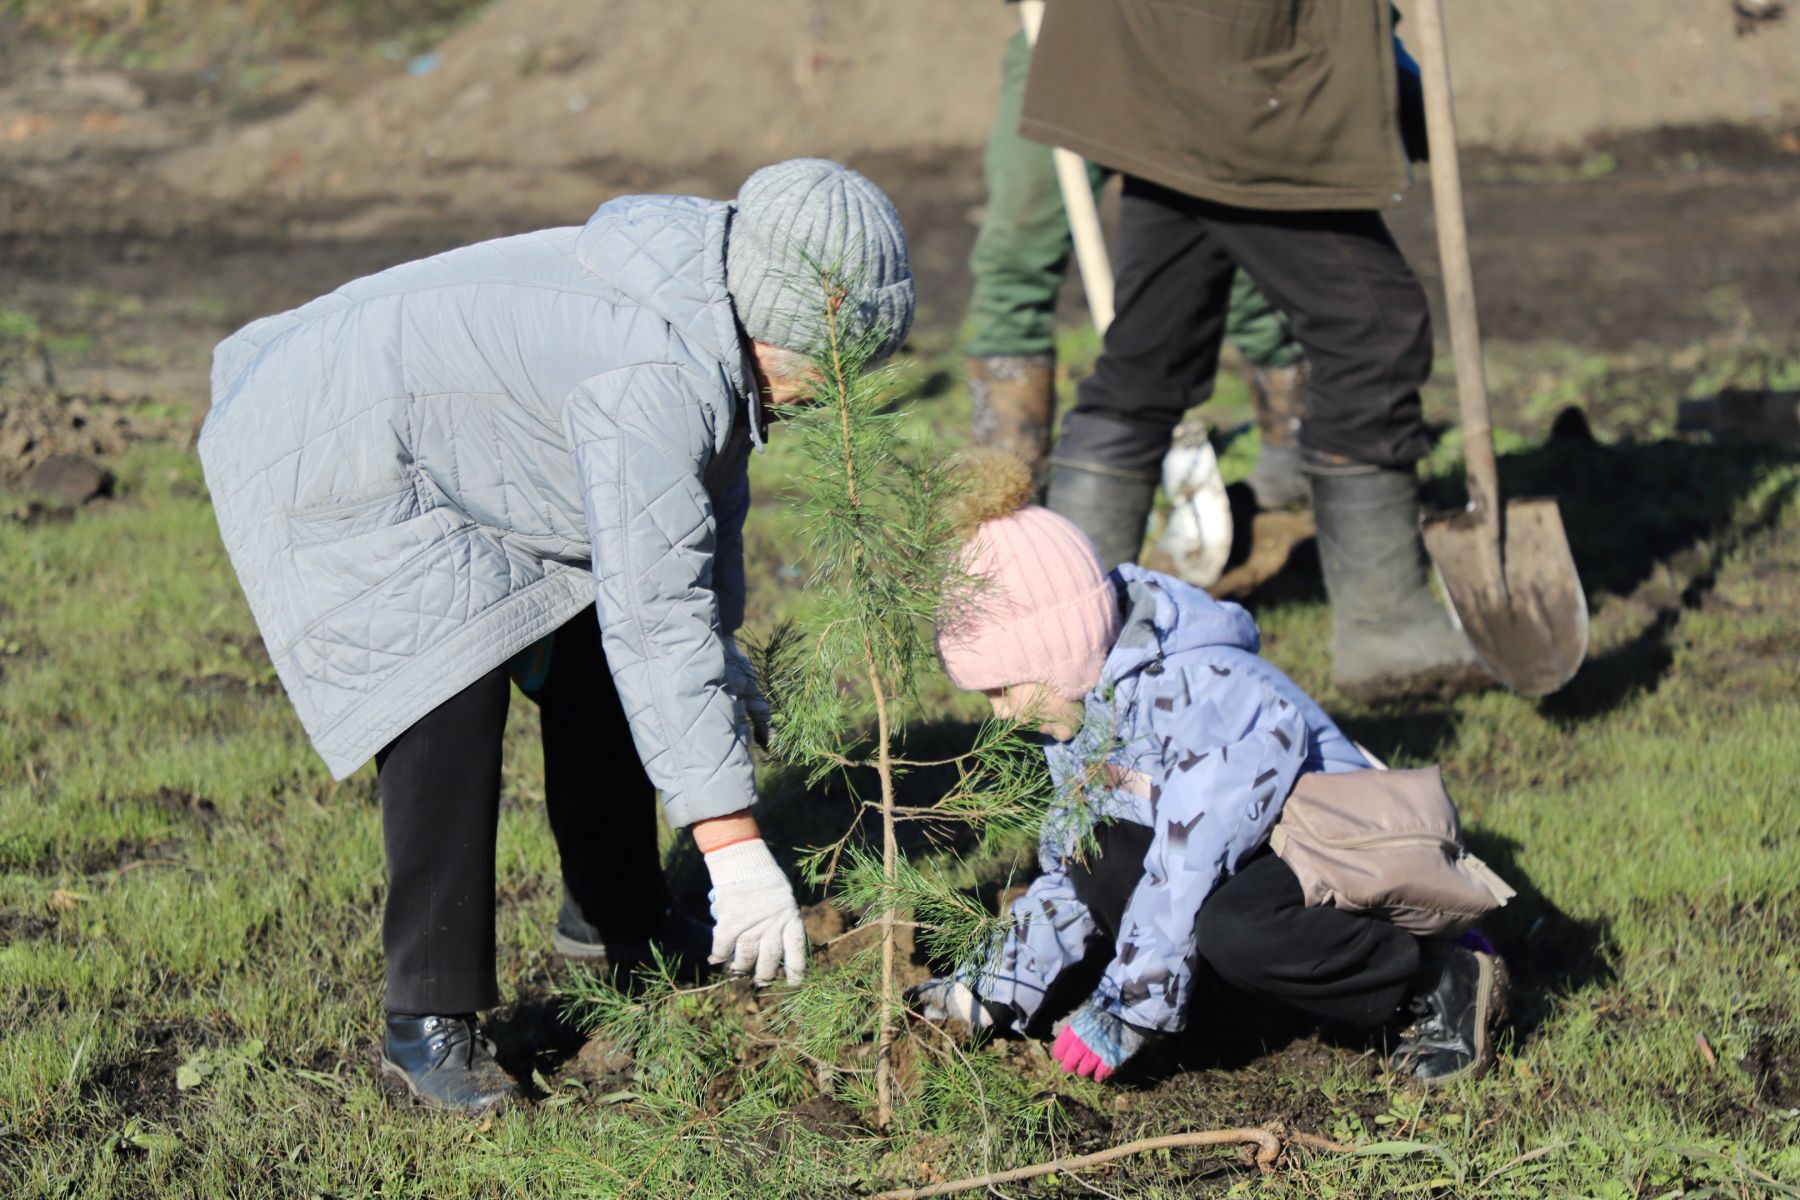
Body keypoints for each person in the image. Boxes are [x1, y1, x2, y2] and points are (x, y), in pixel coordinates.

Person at [198, 158, 916, 1114]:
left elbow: (697, 515)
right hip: (332, 442)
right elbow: (657, 616)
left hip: (453, 441)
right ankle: (426, 1020)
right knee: (444, 686)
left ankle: (612, 920)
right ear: (771, 322)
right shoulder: (655, 372)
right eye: (824, 369)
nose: (829, 397)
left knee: (592, 641)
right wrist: (734, 845)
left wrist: (725, 645)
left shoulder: (714, 305)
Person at [910, 452, 1508, 1085]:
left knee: (1234, 928)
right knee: (1098, 849)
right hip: (1257, 868)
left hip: (1347, 859)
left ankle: (1436, 978)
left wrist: (1126, 1007)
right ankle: (1245, 1013)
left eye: (1004, 689)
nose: (999, 716)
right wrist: (990, 992)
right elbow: (1067, 873)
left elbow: (1186, 864)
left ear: (1063, 651)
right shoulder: (1081, 713)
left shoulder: (1204, 692)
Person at [1017, 1, 1483, 701]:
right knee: (1372, 327)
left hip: (1178, 48)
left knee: (1153, 347)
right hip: (1237, 58)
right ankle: (1386, 625)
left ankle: (1062, 638)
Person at [965, 17, 1310, 516]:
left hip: (1195, 29)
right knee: (1016, 244)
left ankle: (1294, 451)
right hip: (1067, 28)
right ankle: (1010, 490)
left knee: (1234, 237)